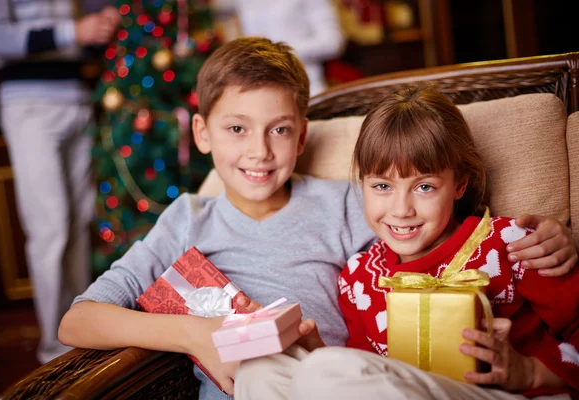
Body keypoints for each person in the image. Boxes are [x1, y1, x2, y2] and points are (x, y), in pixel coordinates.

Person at [58, 39, 577, 400]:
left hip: (347, 378)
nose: (259, 151)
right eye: (237, 128)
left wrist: (547, 238)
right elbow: (76, 321)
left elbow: (430, 228)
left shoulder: (353, 203)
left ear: (302, 136)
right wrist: (198, 335)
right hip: (258, 384)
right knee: (263, 372)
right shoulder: (187, 219)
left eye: (279, 130)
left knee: (323, 372)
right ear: (202, 134)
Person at [234, 86, 579, 400]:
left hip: (502, 394)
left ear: (459, 184)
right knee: (261, 369)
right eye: (382, 186)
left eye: (424, 186)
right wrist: (315, 349)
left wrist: (529, 372)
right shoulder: (358, 279)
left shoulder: (511, 244)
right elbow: (368, 378)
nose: (401, 210)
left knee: (327, 372)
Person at [0, 1, 120, 363]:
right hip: (29, 105)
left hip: (78, 99)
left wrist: (101, 25)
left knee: (76, 225)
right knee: (50, 230)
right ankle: (53, 353)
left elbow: (87, 29)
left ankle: (74, 337)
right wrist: (74, 31)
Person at [212, 0, 345, 96]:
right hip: (256, 88)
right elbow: (216, 10)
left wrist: (273, 51)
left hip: (304, 86)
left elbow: (333, 42)